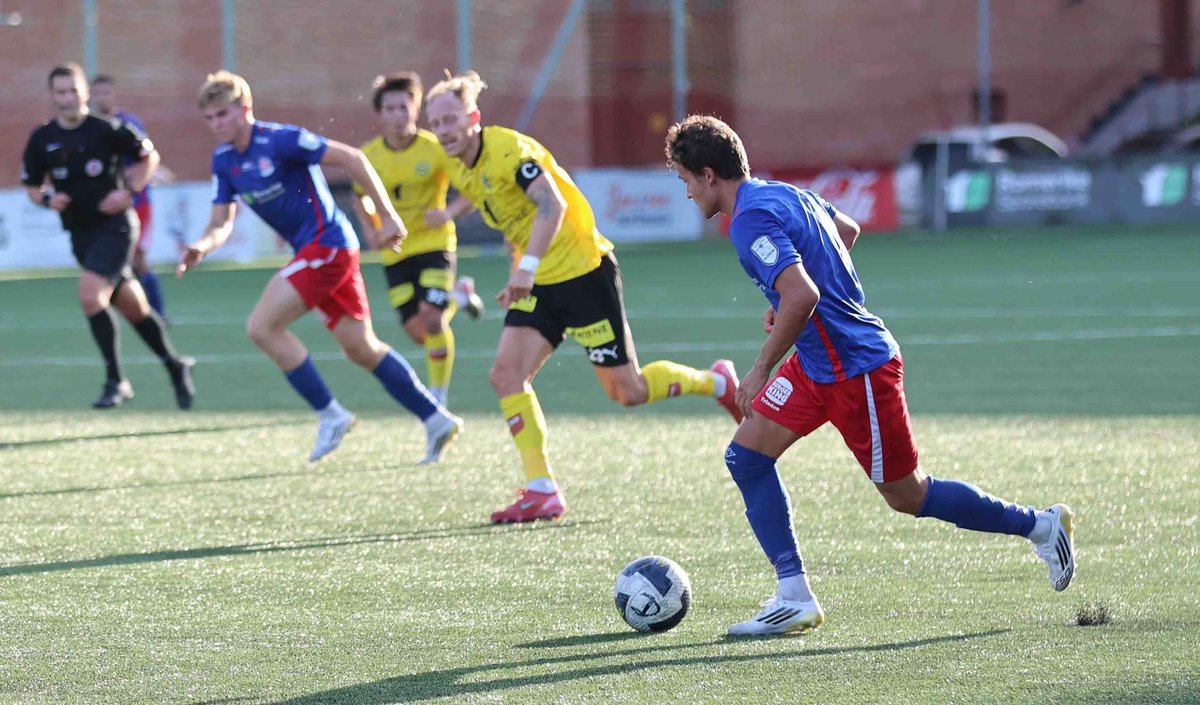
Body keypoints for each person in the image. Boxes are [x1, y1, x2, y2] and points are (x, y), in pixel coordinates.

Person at [664, 115, 1076, 636]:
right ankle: (793, 595)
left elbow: (804, 295)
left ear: (707, 174)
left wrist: (762, 363)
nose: (685, 193)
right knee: (745, 457)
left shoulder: (747, 220)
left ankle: (1041, 525)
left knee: (909, 496)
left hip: (855, 370)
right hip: (818, 365)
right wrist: (790, 298)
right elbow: (845, 232)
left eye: (683, 180)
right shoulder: (784, 194)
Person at [425, 71, 742, 524]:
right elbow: (498, 204)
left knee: (626, 392)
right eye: (435, 123)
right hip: (538, 284)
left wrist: (525, 271)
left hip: (583, 274)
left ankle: (716, 383)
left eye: (450, 119)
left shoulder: (511, 151)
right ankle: (541, 489)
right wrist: (519, 271)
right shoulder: (456, 163)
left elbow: (549, 205)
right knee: (505, 374)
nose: (442, 130)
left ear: (473, 118)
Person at [177, 70, 462, 463]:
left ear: (245, 109)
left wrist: (388, 216)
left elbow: (353, 158)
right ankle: (435, 419)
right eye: (210, 119)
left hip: (328, 245)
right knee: (361, 348)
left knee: (262, 327)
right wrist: (201, 246)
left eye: (223, 114)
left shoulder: (281, 140)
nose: (217, 125)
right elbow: (221, 222)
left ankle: (331, 415)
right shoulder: (225, 160)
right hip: (317, 252)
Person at [20, 63, 194, 410]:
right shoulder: (42, 138)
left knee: (89, 294)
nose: (67, 98)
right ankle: (175, 365)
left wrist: (129, 190)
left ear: (84, 93)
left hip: (116, 228)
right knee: (135, 309)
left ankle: (117, 380)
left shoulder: (108, 129)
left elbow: (149, 156)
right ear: (52, 96)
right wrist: (47, 199)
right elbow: (31, 186)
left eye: (73, 91)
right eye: (60, 92)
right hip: (80, 234)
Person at [350, 71, 484, 408]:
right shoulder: (368, 157)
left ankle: (438, 396)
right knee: (417, 332)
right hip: (395, 253)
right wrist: (370, 229)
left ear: (416, 108)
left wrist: (448, 214)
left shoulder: (435, 149)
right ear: (379, 115)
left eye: (404, 107)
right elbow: (359, 196)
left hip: (434, 245)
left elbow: (472, 190)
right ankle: (459, 296)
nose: (398, 115)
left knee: (433, 319)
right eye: (390, 109)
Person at [90, 74, 171, 319]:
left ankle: (157, 315)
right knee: (110, 263)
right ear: (90, 96)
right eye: (98, 93)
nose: (102, 97)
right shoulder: (89, 127)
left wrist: (120, 179)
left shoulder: (128, 123)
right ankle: (123, 311)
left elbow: (144, 161)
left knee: (138, 261)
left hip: (138, 203)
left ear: (114, 95)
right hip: (106, 207)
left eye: (107, 92)